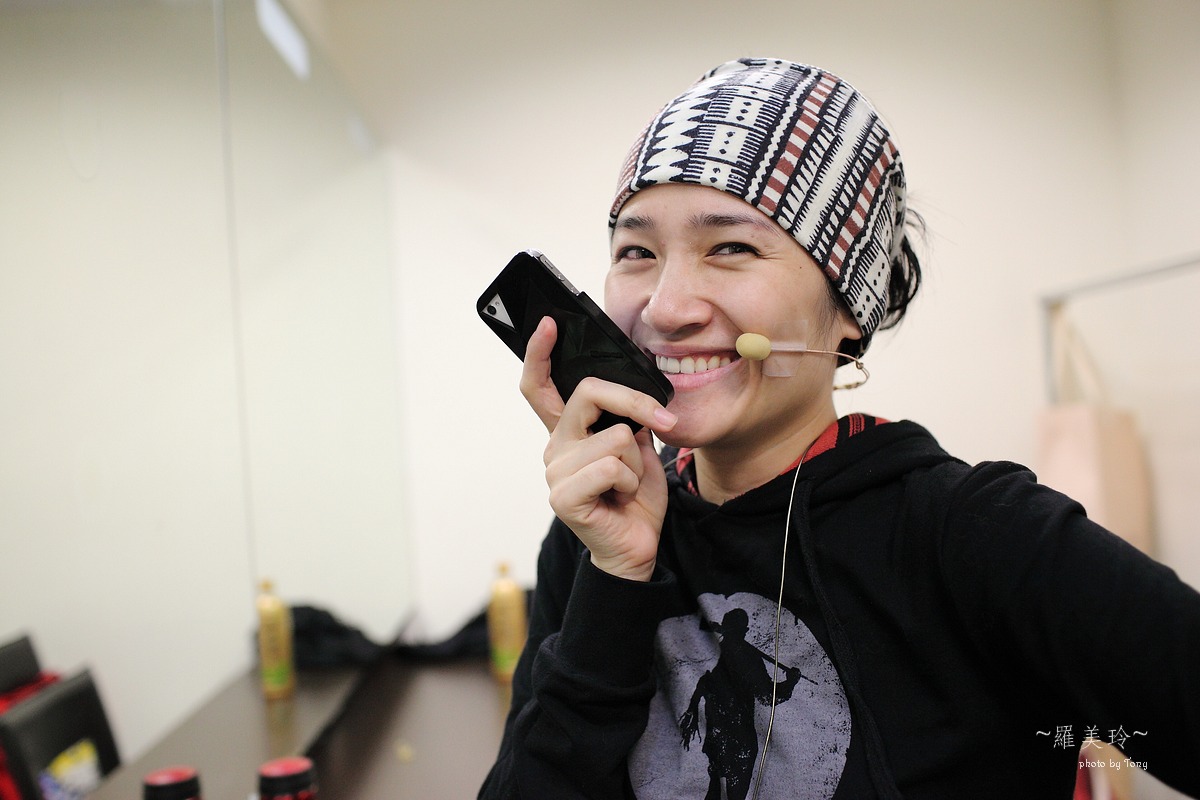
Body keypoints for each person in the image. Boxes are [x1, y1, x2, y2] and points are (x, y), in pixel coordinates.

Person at [477, 57, 1200, 799]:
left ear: (849, 305)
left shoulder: (976, 538)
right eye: (636, 252)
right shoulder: (594, 535)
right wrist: (615, 580)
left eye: (731, 248)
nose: (664, 307)